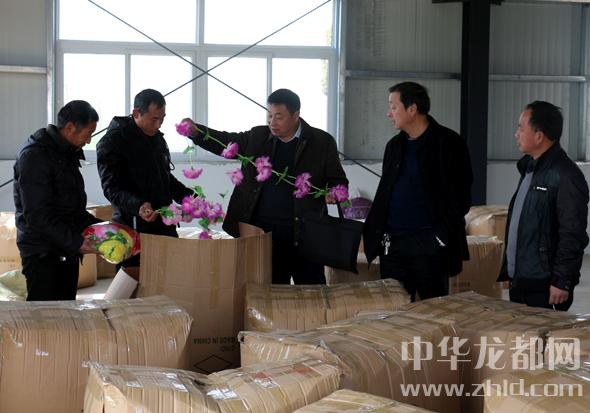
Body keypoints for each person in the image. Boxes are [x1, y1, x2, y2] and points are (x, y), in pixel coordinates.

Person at [183, 88, 348, 284]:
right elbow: (224, 142)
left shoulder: (321, 142)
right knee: (270, 290)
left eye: (279, 117)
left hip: (306, 234)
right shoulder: (258, 136)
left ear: (296, 115)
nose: (272, 122)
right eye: (269, 115)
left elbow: (338, 180)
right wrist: (197, 133)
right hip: (263, 233)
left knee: (311, 289)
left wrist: (334, 192)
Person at [364, 82, 472, 301]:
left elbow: (461, 198)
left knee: (432, 310)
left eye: (393, 107)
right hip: (393, 246)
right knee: (394, 310)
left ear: (412, 109)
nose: (389, 113)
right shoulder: (394, 146)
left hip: (429, 247)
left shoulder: (449, 143)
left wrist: (438, 238)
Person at [498, 101, 589, 311]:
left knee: (541, 333)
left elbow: (572, 233)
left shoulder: (565, 175)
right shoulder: (530, 167)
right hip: (522, 279)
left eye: (521, 128)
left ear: (539, 136)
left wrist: (562, 281)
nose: (516, 134)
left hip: (545, 286)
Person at [13, 100, 101, 301]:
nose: (89, 141)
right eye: (88, 134)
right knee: (45, 314)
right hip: (42, 253)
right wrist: (77, 242)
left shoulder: (67, 153)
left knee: (67, 310)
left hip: (66, 248)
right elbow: (37, 215)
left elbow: (71, 208)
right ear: (70, 127)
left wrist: (104, 228)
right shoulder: (35, 155)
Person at [97, 89, 194, 268]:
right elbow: (111, 188)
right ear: (136, 113)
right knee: (133, 279)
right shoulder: (113, 142)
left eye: (162, 119)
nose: (158, 125)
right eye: (154, 119)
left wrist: (188, 197)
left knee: (169, 275)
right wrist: (139, 205)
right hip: (132, 227)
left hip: (163, 225)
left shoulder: (157, 139)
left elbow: (165, 178)